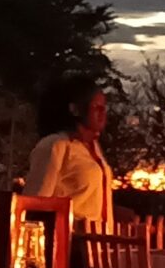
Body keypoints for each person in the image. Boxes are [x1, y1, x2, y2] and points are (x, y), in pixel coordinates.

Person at [25, 75, 123, 228]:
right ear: (75, 109)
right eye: (97, 107)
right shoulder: (55, 145)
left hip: (98, 245)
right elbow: (35, 203)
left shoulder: (94, 148)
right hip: (70, 245)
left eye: (104, 107)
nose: (103, 113)